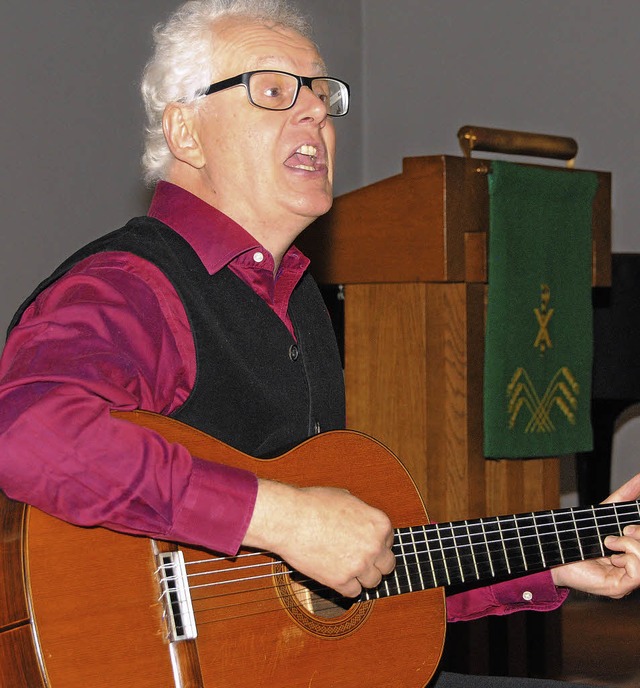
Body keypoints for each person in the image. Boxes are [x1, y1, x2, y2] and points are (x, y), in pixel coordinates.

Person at [0, 1, 638, 686]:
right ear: (186, 131)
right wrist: (278, 516)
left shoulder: (297, 299)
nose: (313, 113)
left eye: (321, 94)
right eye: (273, 90)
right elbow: (27, 435)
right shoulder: (130, 288)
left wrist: (547, 562)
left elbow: (337, 588)